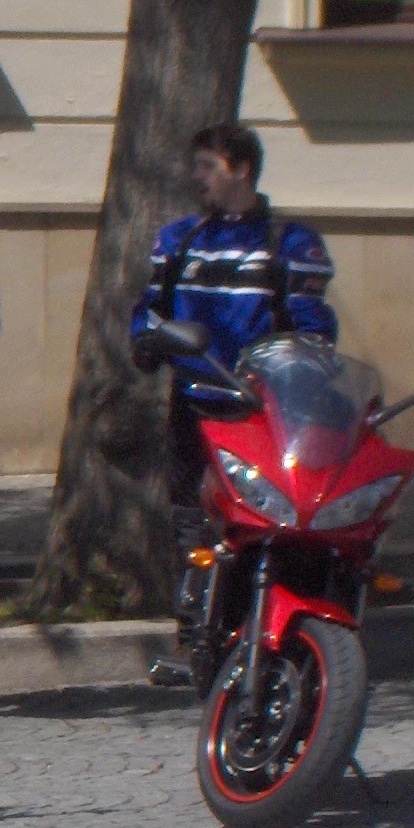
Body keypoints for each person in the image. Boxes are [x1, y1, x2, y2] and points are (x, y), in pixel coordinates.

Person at [128, 122, 337, 671]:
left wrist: (300, 369)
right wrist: (146, 340)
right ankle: (196, 638)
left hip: (259, 410)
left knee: (256, 521)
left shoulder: (290, 243)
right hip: (194, 402)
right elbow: (151, 308)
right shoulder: (180, 239)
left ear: (241, 170)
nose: (197, 177)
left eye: (208, 167)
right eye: (196, 166)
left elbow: (314, 329)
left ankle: (255, 630)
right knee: (191, 522)